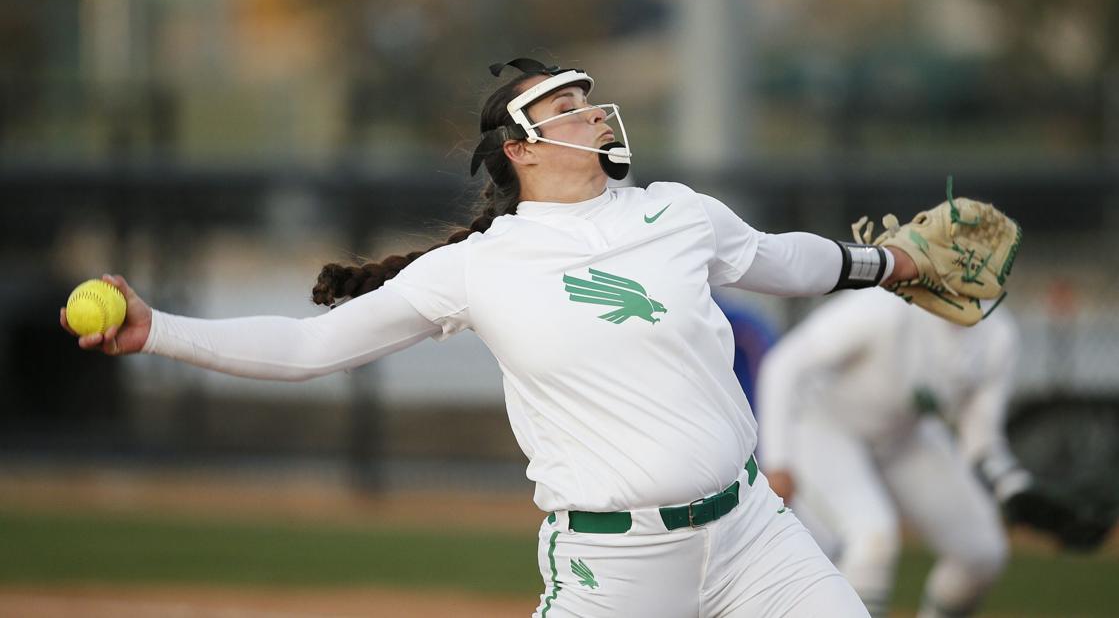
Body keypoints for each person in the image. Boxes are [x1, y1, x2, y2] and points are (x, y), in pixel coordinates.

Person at [63, 57, 927, 617]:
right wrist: (157, 331)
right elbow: (305, 349)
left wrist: (890, 263)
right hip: (613, 566)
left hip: (754, 533)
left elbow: (787, 261)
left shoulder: (679, 213)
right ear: (519, 147)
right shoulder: (481, 266)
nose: (591, 113)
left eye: (587, 99)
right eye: (565, 105)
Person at [756, 288, 1027, 618]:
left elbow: (980, 439)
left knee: (983, 553)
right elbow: (783, 364)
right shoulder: (888, 305)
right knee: (872, 540)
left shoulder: (997, 334)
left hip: (903, 436)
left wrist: (1014, 486)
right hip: (826, 426)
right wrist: (778, 463)